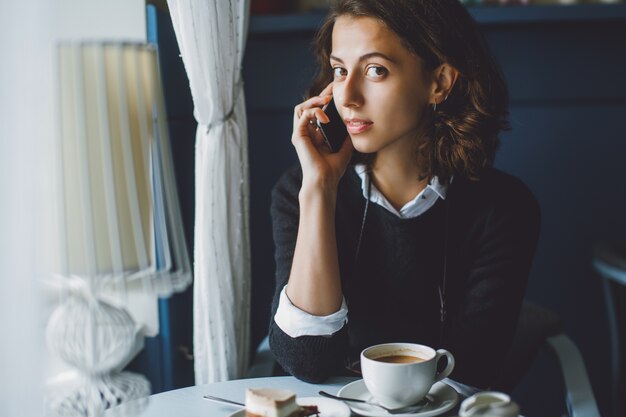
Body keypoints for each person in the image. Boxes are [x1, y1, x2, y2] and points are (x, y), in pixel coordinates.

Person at [268, 0, 540, 389]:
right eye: (340, 70)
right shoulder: (299, 191)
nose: (347, 97)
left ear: (439, 83)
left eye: (376, 70)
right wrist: (320, 190)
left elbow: (472, 372)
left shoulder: (504, 210)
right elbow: (304, 359)